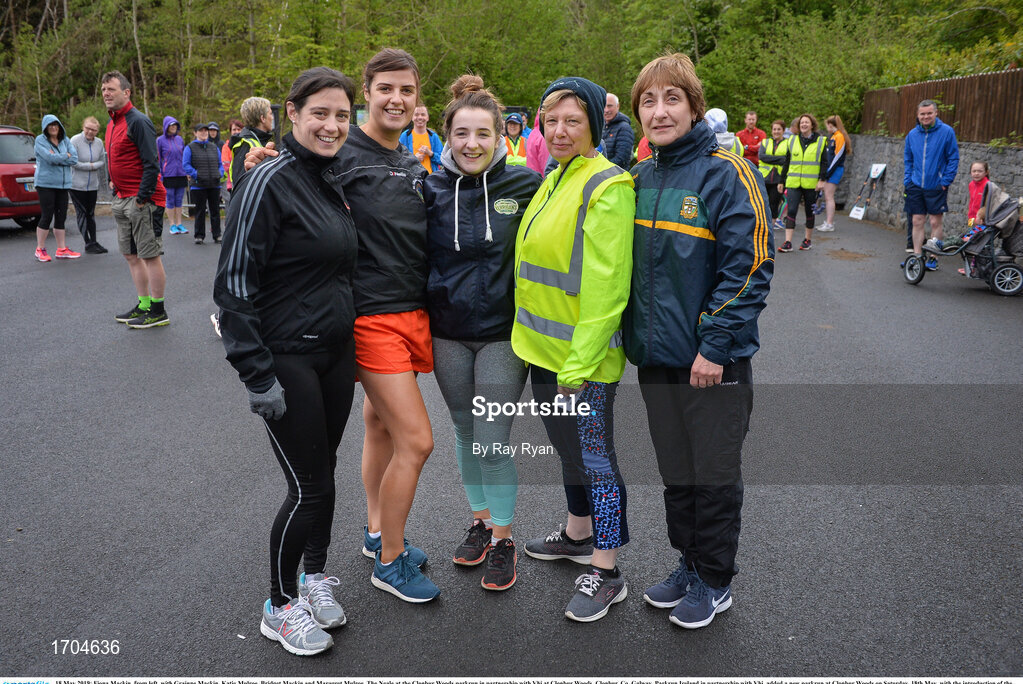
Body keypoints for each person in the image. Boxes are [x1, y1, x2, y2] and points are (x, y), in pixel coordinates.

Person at [215, 66, 358, 658]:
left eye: (341, 116)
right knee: (310, 490)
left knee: (323, 477)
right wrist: (257, 373)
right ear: (291, 113)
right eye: (319, 113)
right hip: (286, 358)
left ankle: (312, 576)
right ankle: (278, 605)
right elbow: (232, 287)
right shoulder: (268, 179)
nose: (331, 125)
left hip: (334, 353)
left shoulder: (331, 176)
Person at [626, 52, 772, 631]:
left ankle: (714, 579)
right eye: (648, 101)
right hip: (657, 360)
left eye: (671, 99)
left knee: (712, 474)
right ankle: (687, 563)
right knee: (676, 470)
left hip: (712, 361)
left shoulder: (728, 172)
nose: (659, 112)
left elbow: (751, 266)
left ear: (692, 105)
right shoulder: (637, 178)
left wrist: (714, 346)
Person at [513, 76, 635, 623]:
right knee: (569, 453)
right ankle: (577, 532)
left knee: (594, 458)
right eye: (551, 119)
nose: (559, 131)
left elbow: (608, 287)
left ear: (594, 124)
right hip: (543, 351)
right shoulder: (556, 174)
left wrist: (581, 365)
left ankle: (607, 569)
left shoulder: (607, 184)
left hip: (580, 364)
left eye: (572, 121)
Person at [424, 75, 541, 591]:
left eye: (483, 134)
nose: (472, 144)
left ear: (501, 137)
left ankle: (504, 538)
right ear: (447, 134)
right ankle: (479, 520)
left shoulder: (526, 184)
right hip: (446, 332)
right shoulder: (425, 188)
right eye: (462, 133)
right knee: (464, 431)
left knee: (492, 439)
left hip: (501, 333)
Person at [102, 70, 169, 328]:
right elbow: (115, 156)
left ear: (126, 92)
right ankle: (143, 305)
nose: (106, 94)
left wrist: (142, 198)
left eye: (112, 89)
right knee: (132, 255)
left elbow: (151, 163)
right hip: (122, 198)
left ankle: (158, 310)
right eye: (104, 90)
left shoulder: (138, 121)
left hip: (143, 201)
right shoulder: (111, 123)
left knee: (149, 255)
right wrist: (113, 181)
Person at [904, 99, 959, 270]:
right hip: (915, 185)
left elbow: (953, 158)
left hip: (937, 185)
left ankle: (933, 258)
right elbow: (908, 159)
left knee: (935, 222)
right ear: (918, 115)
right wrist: (907, 180)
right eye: (922, 114)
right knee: (917, 220)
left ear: (935, 113)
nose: (926, 116)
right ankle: (917, 257)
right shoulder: (912, 135)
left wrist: (945, 181)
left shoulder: (947, 132)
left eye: (929, 113)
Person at [32, 114, 80, 262]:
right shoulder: (40, 140)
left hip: (63, 184)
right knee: (46, 216)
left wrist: (60, 156)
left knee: (61, 217)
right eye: (50, 125)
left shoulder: (65, 140)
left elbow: (74, 158)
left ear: (59, 126)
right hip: (45, 184)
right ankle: (40, 249)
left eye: (56, 125)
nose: (53, 127)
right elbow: (49, 158)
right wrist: (65, 155)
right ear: (46, 127)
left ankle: (62, 249)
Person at [777, 113, 825, 253]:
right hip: (793, 182)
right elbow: (787, 162)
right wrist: (782, 181)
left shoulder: (821, 141)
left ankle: (807, 240)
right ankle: (787, 242)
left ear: (812, 125)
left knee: (810, 211)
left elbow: (824, 162)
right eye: (801, 123)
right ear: (798, 126)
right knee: (791, 210)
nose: (804, 125)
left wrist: (822, 180)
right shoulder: (792, 141)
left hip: (811, 183)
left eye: (806, 122)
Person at [69, 116, 108, 254]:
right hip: (76, 185)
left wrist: (91, 165)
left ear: (97, 131)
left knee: (91, 214)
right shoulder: (75, 141)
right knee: (82, 213)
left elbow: (102, 161)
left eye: (93, 130)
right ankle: (88, 243)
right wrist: (91, 166)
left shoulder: (98, 142)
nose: (90, 132)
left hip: (92, 184)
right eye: (88, 128)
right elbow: (73, 162)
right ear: (83, 127)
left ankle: (94, 241)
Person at [183, 122, 224, 244]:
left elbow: (220, 164)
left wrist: (220, 173)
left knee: (215, 211)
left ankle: (217, 235)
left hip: (214, 184)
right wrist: (197, 174)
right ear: (195, 133)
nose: (204, 133)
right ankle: (199, 235)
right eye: (201, 131)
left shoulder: (213, 147)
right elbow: (186, 165)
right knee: (200, 211)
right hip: (199, 185)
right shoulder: (189, 147)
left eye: (205, 131)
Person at [817, 114, 852, 232]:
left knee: (829, 196)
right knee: (827, 196)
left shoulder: (839, 137)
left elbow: (836, 157)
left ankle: (830, 223)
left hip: (835, 170)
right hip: (831, 169)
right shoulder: (834, 136)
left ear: (830, 125)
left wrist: (827, 173)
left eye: (827, 125)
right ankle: (828, 221)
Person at [230, 96, 274, 186]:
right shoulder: (246, 145)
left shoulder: (259, 140)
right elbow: (241, 184)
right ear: (263, 118)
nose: (272, 118)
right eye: (270, 114)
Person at [158, 116, 188, 235]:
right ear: (166, 126)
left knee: (179, 199)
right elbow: (158, 158)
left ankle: (179, 223)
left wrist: (186, 171)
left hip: (180, 173)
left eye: (175, 125)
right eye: (171, 125)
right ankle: (172, 225)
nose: (174, 127)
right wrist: (160, 174)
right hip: (168, 174)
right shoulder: (160, 140)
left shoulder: (180, 139)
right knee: (170, 199)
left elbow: (184, 156)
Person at [758, 119, 788, 222]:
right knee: (761, 203)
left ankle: (771, 229)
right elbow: (762, 157)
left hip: (778, 179)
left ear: (783, 130)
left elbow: (787, 160)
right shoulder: (765, 142)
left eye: (779, 129)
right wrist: (779, 159)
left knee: (774, 204)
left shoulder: (788, 143)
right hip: (764, 177)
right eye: (774, 129)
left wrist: (770, 158)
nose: (776, 131)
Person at [399, 104, 443, 174]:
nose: (420, 117)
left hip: (431, 179)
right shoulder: (405, 136)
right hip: (411, 178)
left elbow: (443, 160)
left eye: (423, 115)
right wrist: (413, 159)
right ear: (412, 117)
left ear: (427, 117)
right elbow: (398, 159)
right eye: (416, 115)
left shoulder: (433, 137)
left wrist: (431, 154)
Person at [602, 92, 635, 169]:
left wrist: (600, 168)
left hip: (617, 176)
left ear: (618, 106)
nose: (606, 110)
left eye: (610, 106)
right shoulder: (601, 127)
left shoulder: (624, 128)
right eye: (604, 106)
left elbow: (622, 159)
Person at [221, 118, 244, 212]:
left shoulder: (245, 143)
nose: (236, 132)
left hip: (243, 180)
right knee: (231, 209)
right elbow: (226, 165)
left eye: (239, 129)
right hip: (231, 183)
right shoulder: (226, 146)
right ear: (230, 131)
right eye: (234, 129)